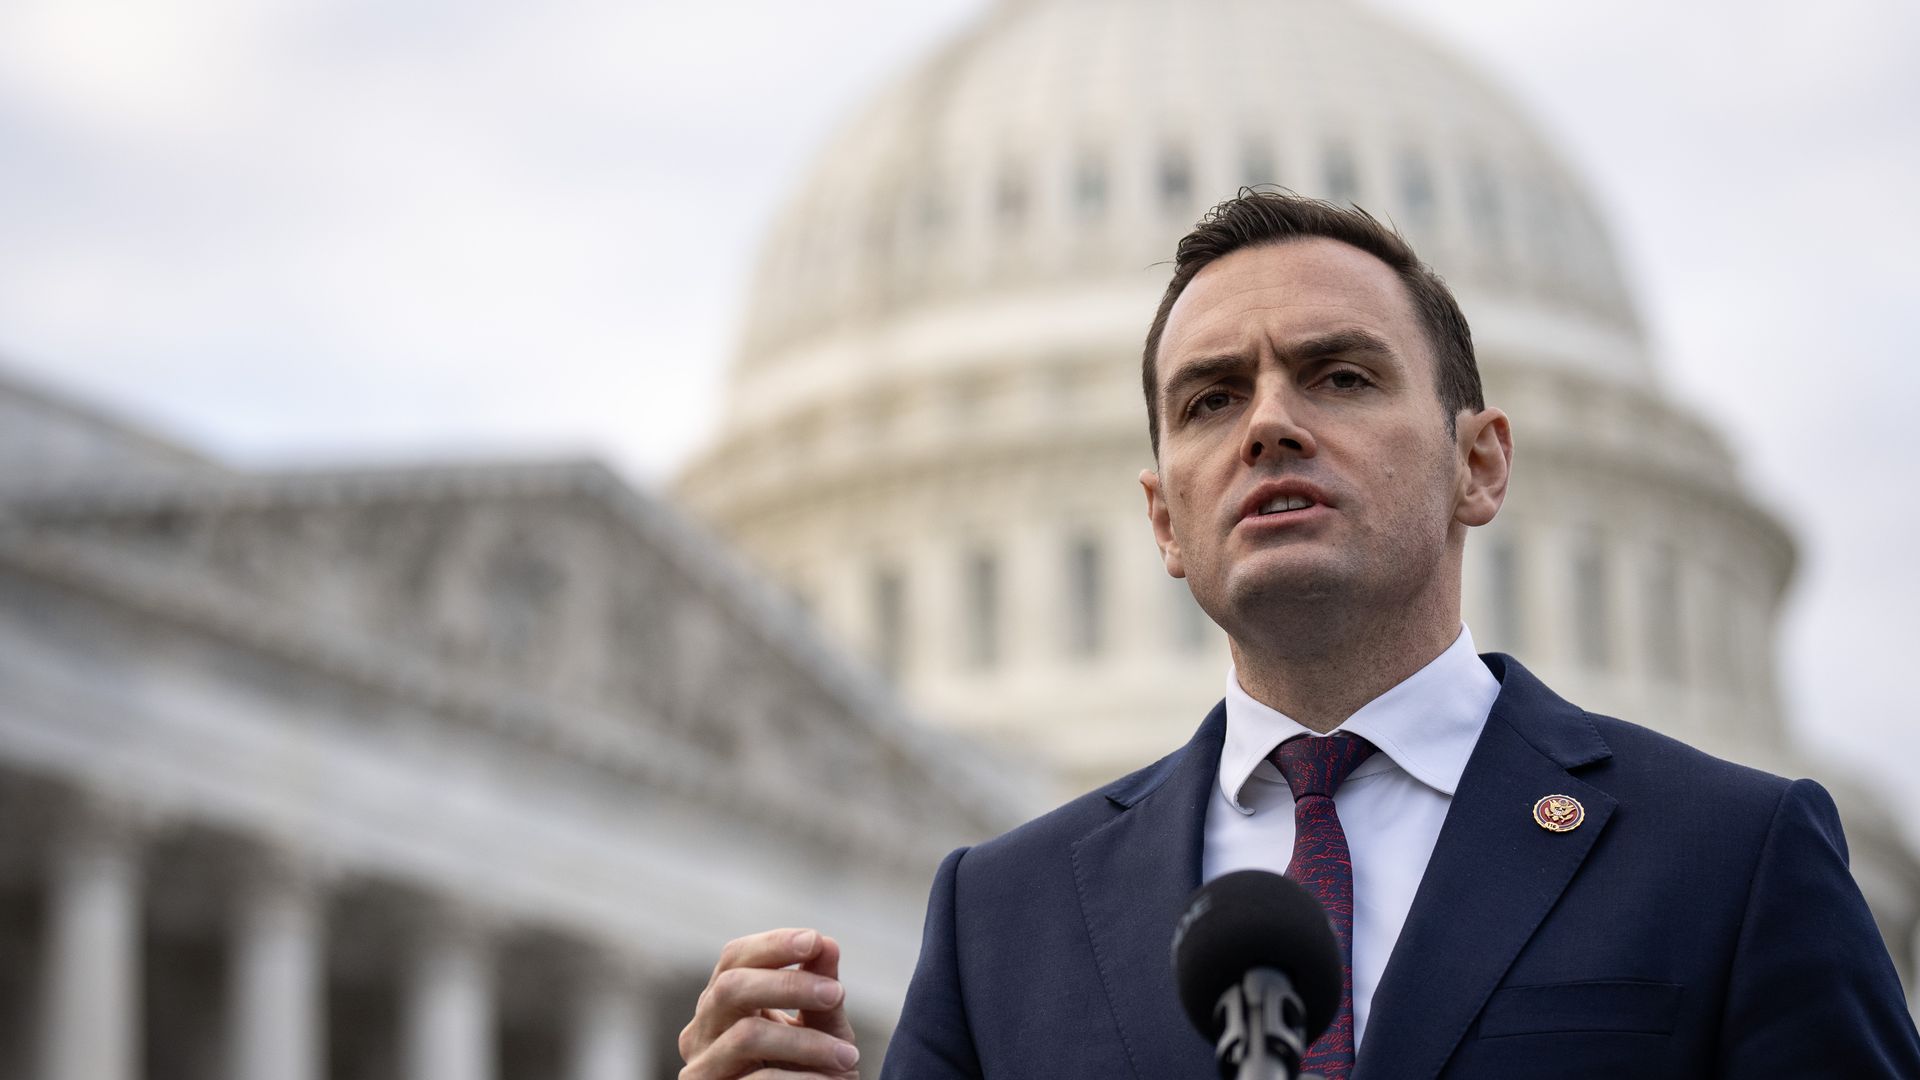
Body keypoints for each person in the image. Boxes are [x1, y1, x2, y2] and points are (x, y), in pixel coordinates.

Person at [676, 192, 1920, 1079]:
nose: (1269, 426)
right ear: (1163, 520)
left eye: (1340, 376)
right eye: (1212, 399)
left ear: (1479, 466)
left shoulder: (1727, 858)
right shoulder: (1004, 918)